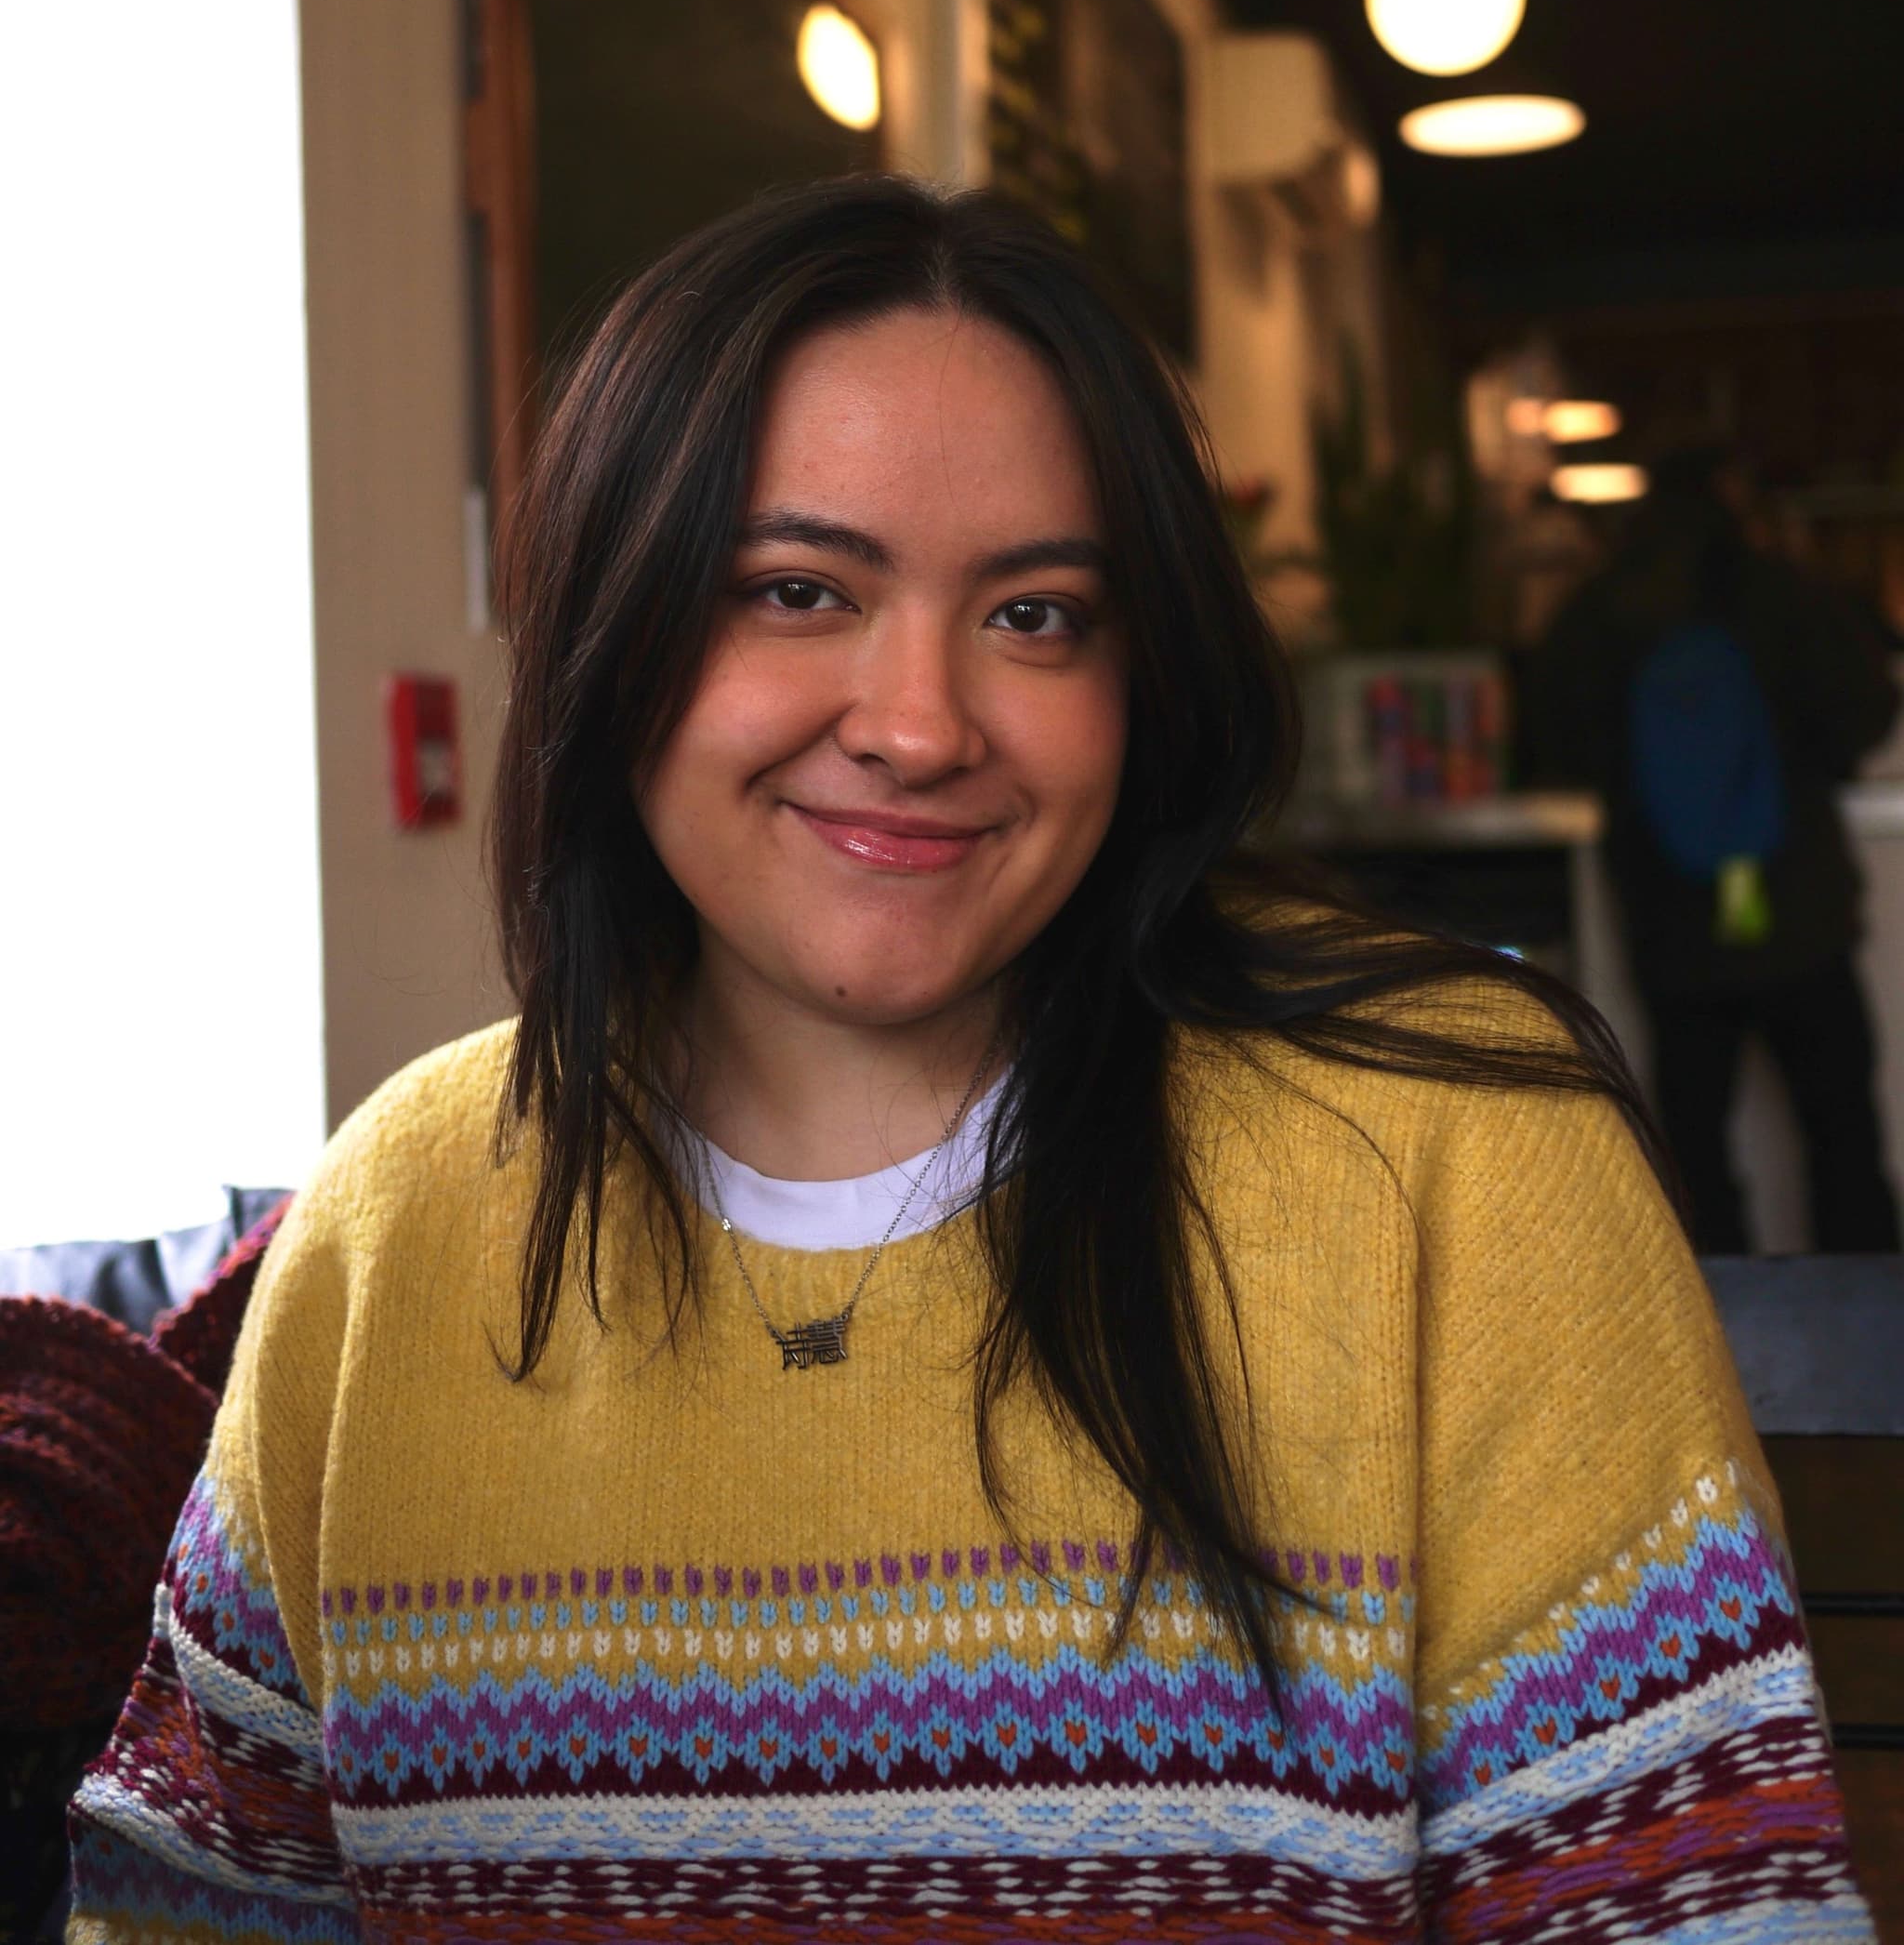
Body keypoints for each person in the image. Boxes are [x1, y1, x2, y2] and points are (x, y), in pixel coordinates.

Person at [68, 181, 1871, 1941]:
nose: (921, 725)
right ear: (616, 633)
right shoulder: (396, 1214)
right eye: (795, 589)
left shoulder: (1450, 1160)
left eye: (1034, 616)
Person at [1532, 445, 1901, 1255]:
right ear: (1730, 500)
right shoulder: (1789, 594)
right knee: (1841, 1133)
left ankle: (1725, 1337)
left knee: (1693, 1144)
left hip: (1673, 917)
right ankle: (1868, 1341)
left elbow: (1554, 740)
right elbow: (1864, 715)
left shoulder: (1599, 611)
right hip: (1799, 904)